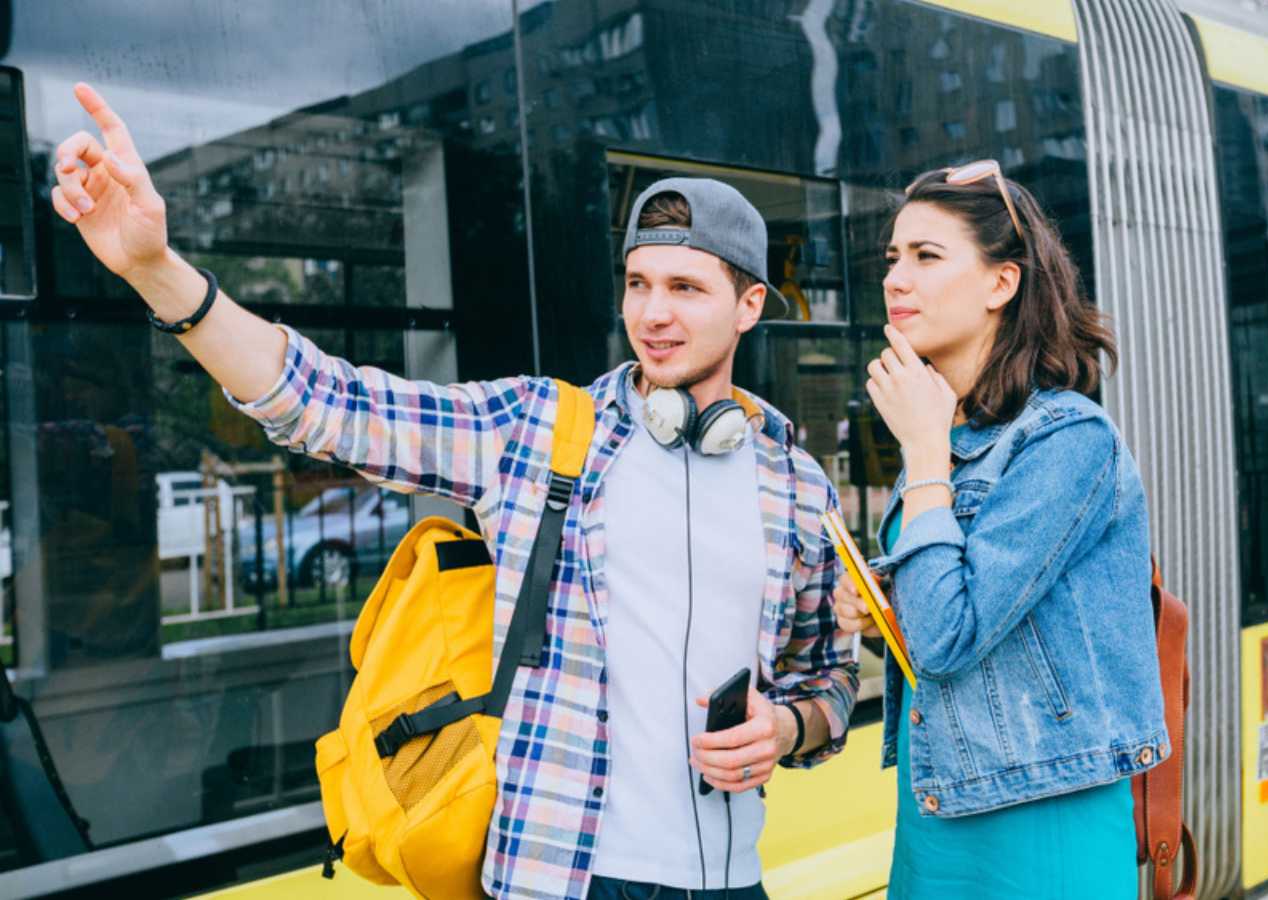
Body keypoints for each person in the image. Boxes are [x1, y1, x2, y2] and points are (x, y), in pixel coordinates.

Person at [50, 82, 857, 900]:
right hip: (559, 879)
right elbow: (326, 404)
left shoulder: (793, 482)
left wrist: (788, 726)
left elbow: (827, 672)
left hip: (732, 883)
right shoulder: (542, 429)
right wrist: (157, 270)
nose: (651, 313)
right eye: (638, 282)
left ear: (751, 304)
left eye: (686, 288)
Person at [835, 160, 1168, 898]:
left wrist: (921, 453)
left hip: (1043, 811)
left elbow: (954, 636)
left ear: (1000, 284)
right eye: (892, 258)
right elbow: (944, 622)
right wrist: (879, 610)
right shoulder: (950, 433)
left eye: (926, 256)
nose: (895, 278)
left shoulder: (1067, 438)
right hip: (941, 800)